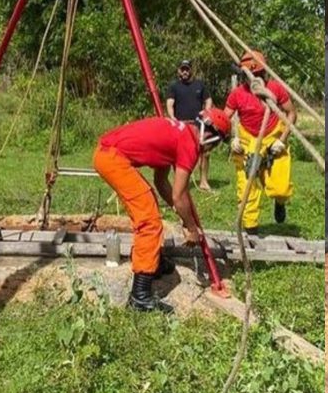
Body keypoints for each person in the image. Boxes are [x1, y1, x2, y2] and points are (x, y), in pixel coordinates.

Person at [93, 108, 231, 313]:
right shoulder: (189, 144)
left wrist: (183, 217)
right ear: (209, 134)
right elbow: (178, 195)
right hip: (112, 158)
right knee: (149, 222)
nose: (212, 148)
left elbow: (161, 182)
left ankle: (152, 262)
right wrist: (191, 227)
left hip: (108, 153)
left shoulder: (181, 132)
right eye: (217, 142)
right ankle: (140, 297)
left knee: (149, 205)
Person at [225, 49, 296, 235]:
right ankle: (251, 230)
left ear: (264, 71)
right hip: (248, 140)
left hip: (272, 136)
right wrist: (233, 139)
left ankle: (279, 203)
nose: (254, 78)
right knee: (247, 188)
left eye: (257, 74)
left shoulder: (275, 88)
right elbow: (224, 119)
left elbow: (291, 113)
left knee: (280, 187)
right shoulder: (237, 95)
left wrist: (282, 140)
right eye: (250, 75)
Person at [166, 59, 214, 191]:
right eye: (183, 69)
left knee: (205, 152)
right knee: (179, 154)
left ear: (191, 70)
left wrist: (206, 113)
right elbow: (170, 104)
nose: (185, 72)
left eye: (187, 69)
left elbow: (208, 100)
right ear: (179, 71)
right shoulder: (174, 86)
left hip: (199, 124)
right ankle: (181, 183)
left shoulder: (200, 85)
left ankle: (203, 181)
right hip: (181, 125)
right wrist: (172, 118)